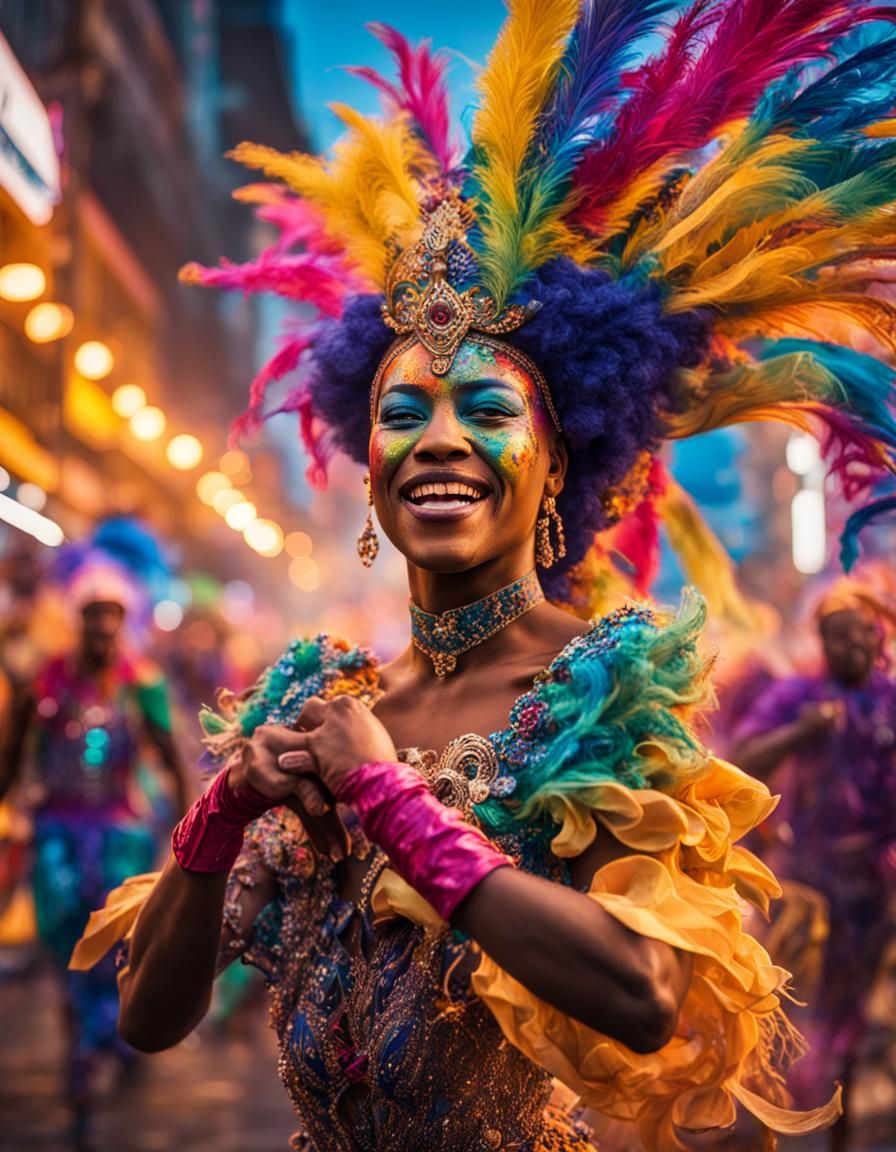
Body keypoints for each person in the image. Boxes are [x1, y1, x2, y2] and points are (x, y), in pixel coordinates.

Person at [73, 2, 896, 1147]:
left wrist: (392, 804)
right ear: (371, 478)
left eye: (486, 409)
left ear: (555, 467)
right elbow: (152, 1020)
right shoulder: (313, 694)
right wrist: (223, 815)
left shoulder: (598, 688)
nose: (439, 438)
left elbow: (643, 994)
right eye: (401, 412)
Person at [0, 552, 189, 1124]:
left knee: (108, 940)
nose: (103, 625)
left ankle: (98, 1037)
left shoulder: (142, 685)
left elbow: (170, 759)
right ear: (77, 618)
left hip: (119, 835)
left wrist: (189, 833)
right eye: (93, 614)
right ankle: (90, 1033)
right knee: (65, 938)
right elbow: (13, 758)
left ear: (123, 620)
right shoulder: (46, 680)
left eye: (112, 614)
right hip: (56, 831)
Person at [733, 577, 896, 1152]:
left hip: (872, 888)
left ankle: (839, 1123)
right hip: (805, 888)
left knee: (849, 1014)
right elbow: (744, 757)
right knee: (793, 1013)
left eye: (862, 637)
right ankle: (778, 1121)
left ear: (879, 640)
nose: (851, 648)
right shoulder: (800, 696)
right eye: (838, 638)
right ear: (821, 643)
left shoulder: (890, 699)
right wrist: (804, 731)